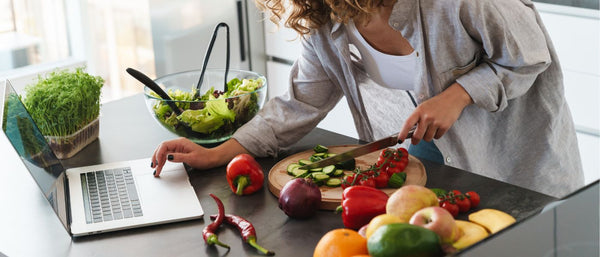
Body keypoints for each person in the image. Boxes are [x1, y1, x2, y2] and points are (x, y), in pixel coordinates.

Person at [151, 0, 584, 198]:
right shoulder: (324, 18)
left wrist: (459, 94)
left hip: (517, 171)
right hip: (423, 174)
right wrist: (218, 153)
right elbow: (300, 104)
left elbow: (529, 58)